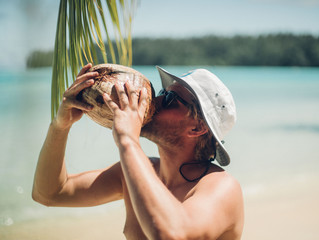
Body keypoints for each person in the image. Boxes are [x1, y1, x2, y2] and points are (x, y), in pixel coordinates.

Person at [32, 63, 244, 239]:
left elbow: (171, 235)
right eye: (162, 93)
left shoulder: (222, 187)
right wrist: (60, 126)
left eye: (170, 99)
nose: (156, 101)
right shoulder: (139, 171)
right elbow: (49, 193)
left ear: (197, 128)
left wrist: (127, 139)